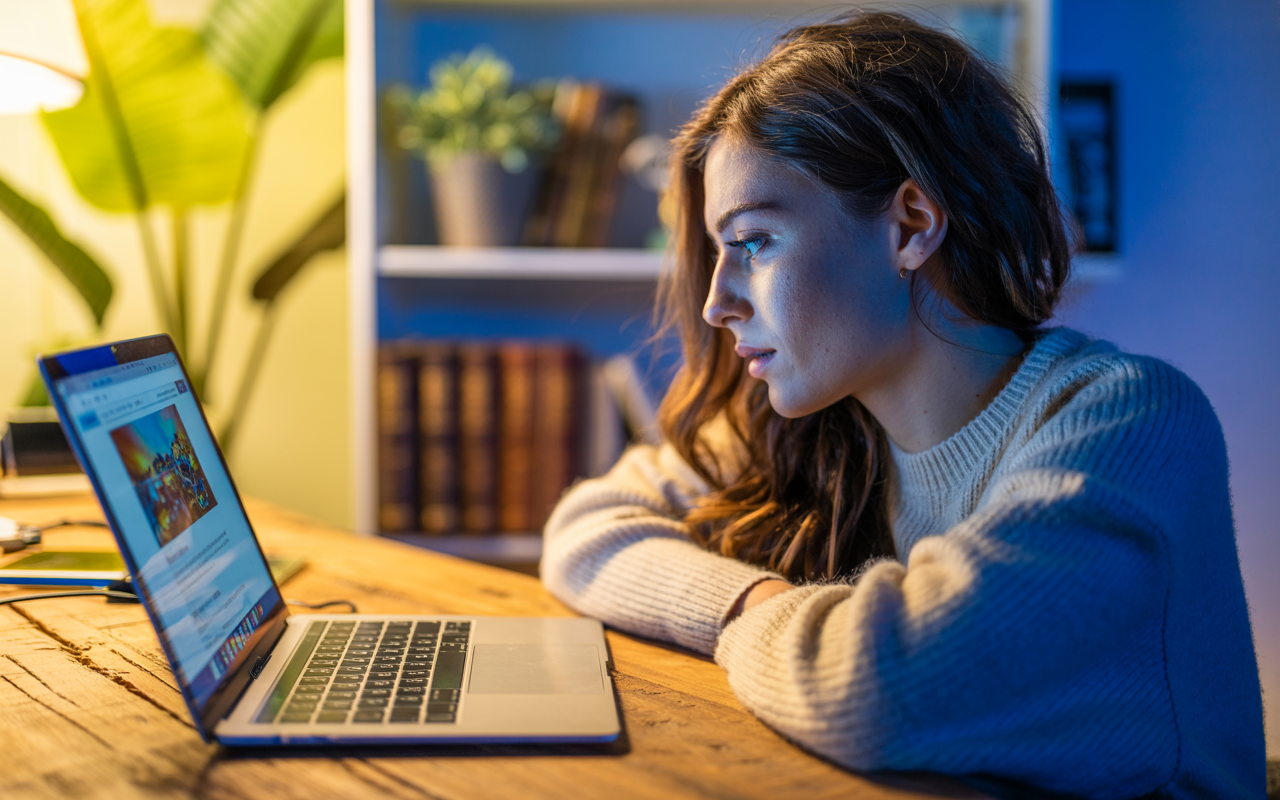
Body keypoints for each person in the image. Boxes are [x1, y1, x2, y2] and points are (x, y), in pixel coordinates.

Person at [539, 11, 1265, 799]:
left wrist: (747, 621)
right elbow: (586, 530)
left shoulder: (1128, 421)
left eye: (752, 242)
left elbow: (874, 689)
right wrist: (752, 599)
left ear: (911, 225)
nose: (717, 303)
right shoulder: (819, 424)